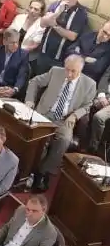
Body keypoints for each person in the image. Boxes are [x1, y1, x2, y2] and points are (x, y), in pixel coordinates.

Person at [24, 55, 97, 191]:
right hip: (44, 114)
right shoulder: (55, 71)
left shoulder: (90, 84)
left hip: (64, 119)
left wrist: (75, 115)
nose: (69, 74)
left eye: (73, 71)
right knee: (40, 138)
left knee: (64, 139)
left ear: (80, 70)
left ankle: (44, 173)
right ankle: (30, 170)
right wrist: (29, 100)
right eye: (67, 69)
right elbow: (34, 81)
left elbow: (88, 105)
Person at [32, 0, 88, 77]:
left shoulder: (81, 13)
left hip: (60, 59)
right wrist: (58, 12)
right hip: (44, 53)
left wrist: (55, 26)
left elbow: (72, 36)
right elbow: (43, 24)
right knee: (37, 80)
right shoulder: (56, 5)